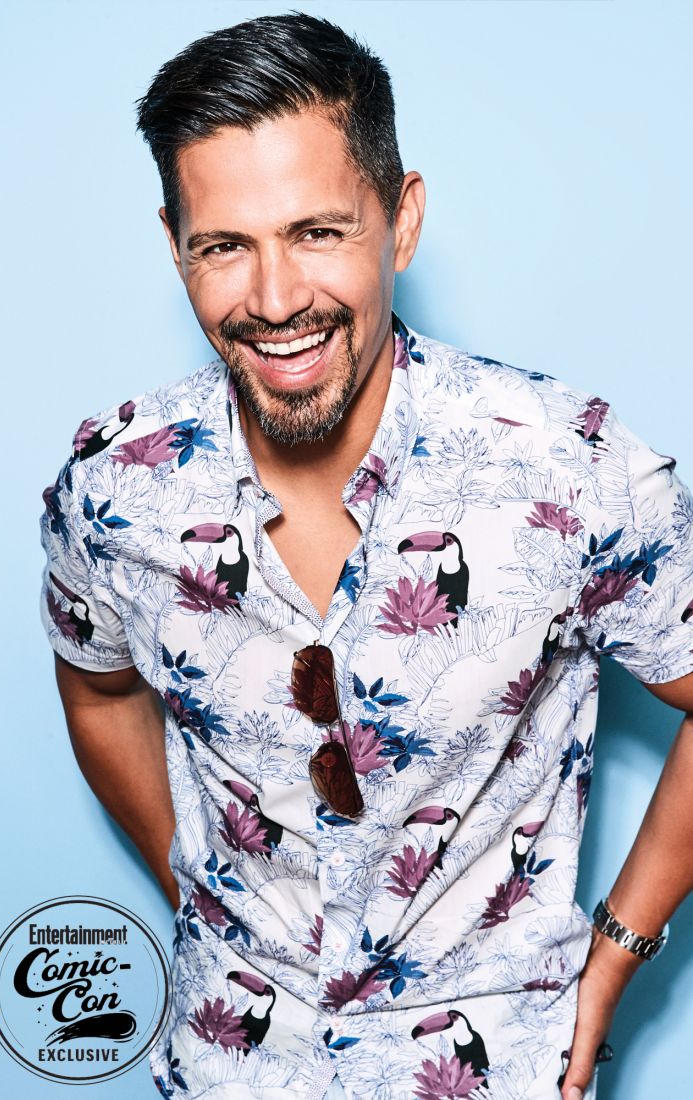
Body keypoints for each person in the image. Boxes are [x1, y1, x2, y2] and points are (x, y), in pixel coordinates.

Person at [38, 12, 693, 1100]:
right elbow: (99, 691)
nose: (276, 299)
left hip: (492, 1068)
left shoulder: (571, 470)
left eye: (317, 232)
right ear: (174, 244)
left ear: (402, 219)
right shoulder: (115, 489)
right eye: (224, 245)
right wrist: (199, 896)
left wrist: (621, 946)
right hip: (227, 1066)